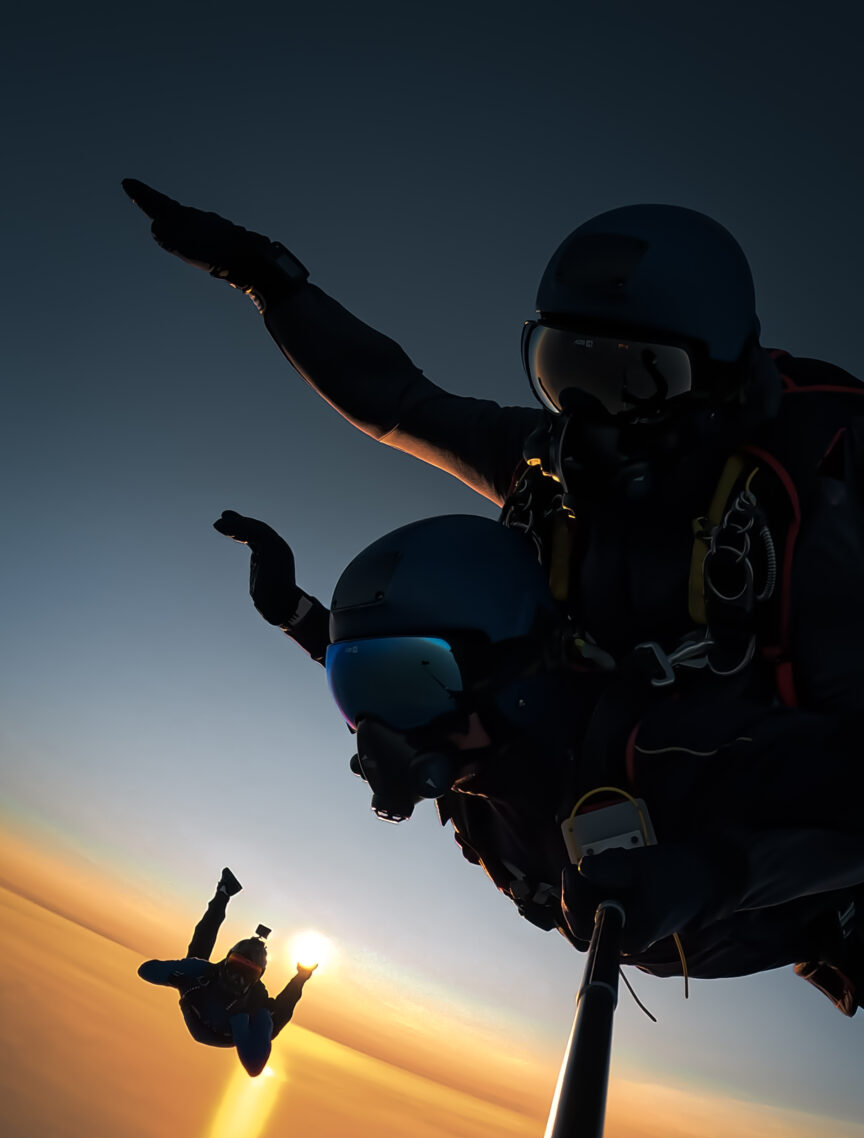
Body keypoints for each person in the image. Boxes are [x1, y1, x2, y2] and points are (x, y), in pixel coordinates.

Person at [122, 179, 864, 713]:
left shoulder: (825, 491)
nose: (589, 418)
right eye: (563, 372)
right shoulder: (548, 458)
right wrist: (263, 276)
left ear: (720, 385)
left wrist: (740, 869)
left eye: (637, 379)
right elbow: (398, 403)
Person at [217, 511, 864, 1014]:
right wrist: (297, 618)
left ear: (511, 675)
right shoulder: (473, 767)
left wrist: (717, 874)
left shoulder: (670, 750)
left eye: (411, 689)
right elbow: (407, 674)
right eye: (352, 692)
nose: (382, 736)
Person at [138, 868, 317, 1075]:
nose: (237, 977)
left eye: (248, 972)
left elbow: (254, 1065)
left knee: (270, 1017)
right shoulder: (205, 977)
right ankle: (223, 892)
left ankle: (224, 892)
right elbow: (145, 970)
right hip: (211, 1013)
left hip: (213, 1017)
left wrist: (185, 979)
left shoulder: (254, 1007)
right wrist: (183, 974)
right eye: (236, 966)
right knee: (198, 960)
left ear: (257, 978)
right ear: (226, 961)